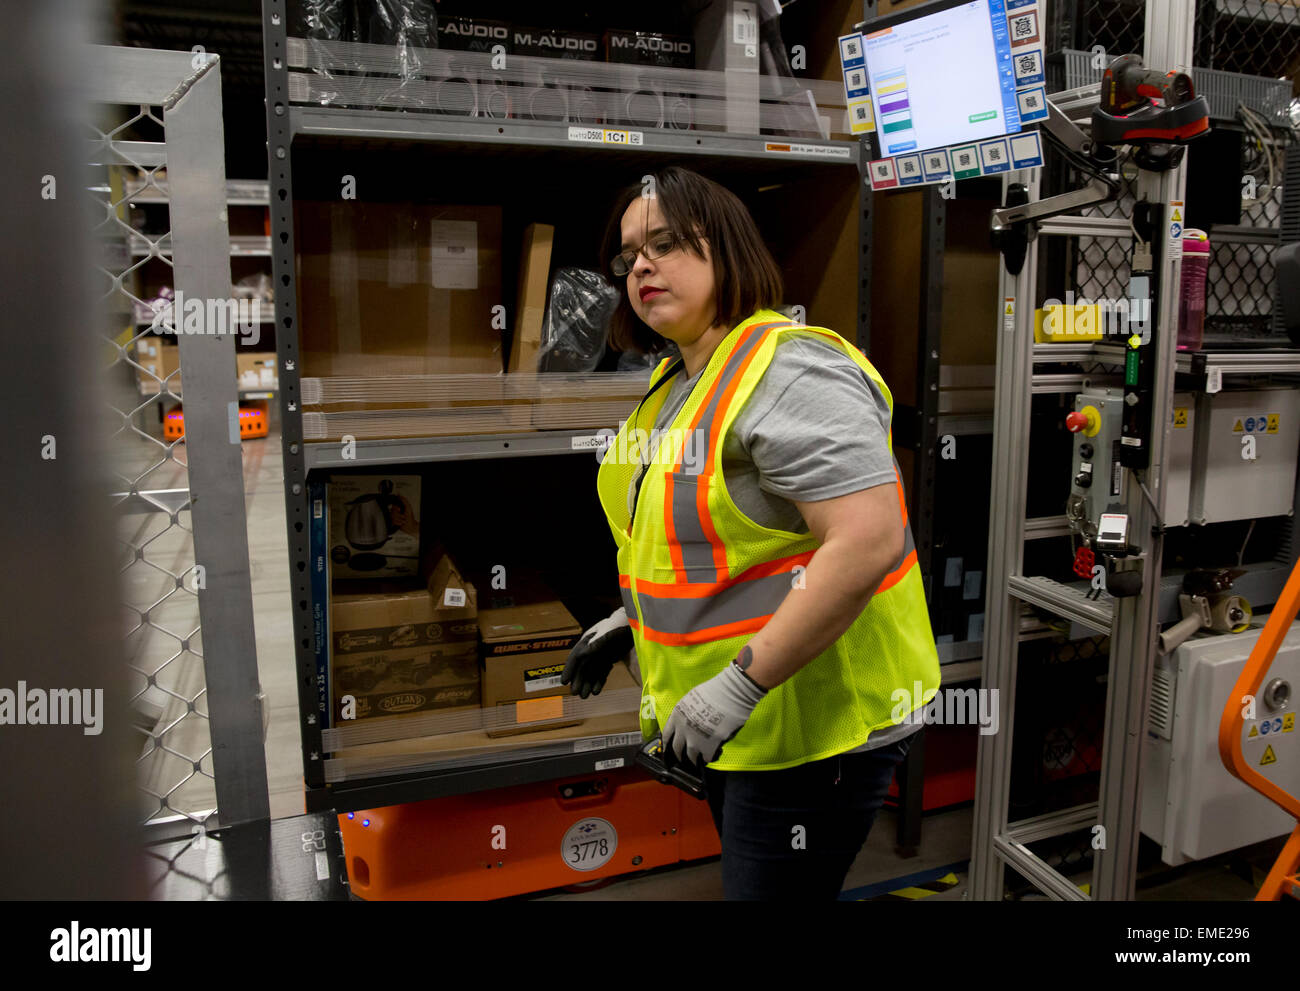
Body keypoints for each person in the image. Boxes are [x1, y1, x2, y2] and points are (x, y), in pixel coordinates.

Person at [562, 166, 941, 900]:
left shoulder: (792, 369)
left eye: (666, 243)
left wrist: (739, 685)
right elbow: (699, 541)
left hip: (811, 729)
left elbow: (867, 542)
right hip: (739, 726)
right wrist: (632, 621)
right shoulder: (677, 381)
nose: (640, 264)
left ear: (728, 248)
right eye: (628, 253)